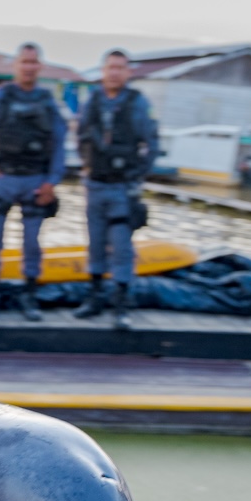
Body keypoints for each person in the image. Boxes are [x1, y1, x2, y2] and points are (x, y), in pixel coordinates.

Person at [0, 44, 68, 322]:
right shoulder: (0, 97)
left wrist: (52, 182)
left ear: (39, 66)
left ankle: (29, 297)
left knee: (32, 243)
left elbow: (59, 144)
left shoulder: (48, 101)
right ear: (16, 65)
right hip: (3, 178)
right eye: (24, 62)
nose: (28, 67)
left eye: (33, 62)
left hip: (35, 180)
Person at [76, 48, 158, 323]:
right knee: (95, 244)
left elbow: (152, 143)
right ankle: (95, 298)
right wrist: (87, 165)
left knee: (122, 245)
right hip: (95, 185)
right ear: (103, 71)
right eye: (110, 67)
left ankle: (122, 303)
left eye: (120, 68)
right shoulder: (92, 101)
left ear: (128, 72)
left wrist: (137, 176)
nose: (114, 73)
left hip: (123, 188)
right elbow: (81, 137)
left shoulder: (137, 103)